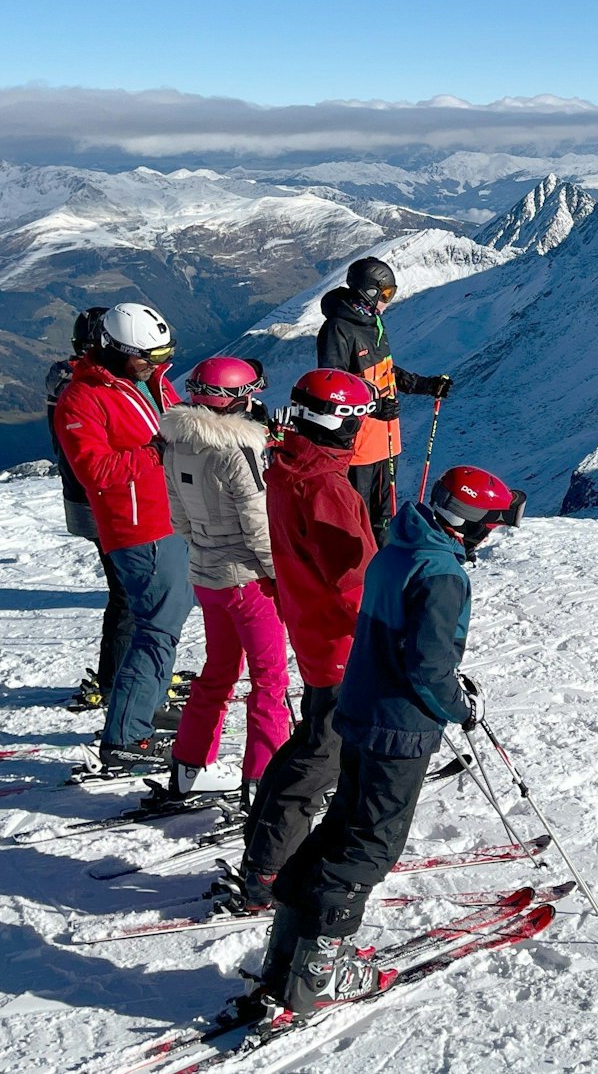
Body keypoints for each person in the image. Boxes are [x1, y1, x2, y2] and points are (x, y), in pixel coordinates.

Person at [249, 465, 522, 1022]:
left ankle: (286, 959)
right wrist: (461, 707)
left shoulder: (398, 548)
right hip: (399, 727)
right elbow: (428, 665)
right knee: (370, 845)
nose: (493, 532)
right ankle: (319, 975)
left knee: (340, 828)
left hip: (360, 707)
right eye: (492, 522)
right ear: (471, 524)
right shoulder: (442, 572)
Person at [225, 369, 379, 914]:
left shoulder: (288, 467)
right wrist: (391, 637)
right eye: (359, 418)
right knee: (322, 756)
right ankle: (268, 870)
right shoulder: (326, 489)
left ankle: (261, 850)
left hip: (311, 631)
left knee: (309, 741)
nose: (363, 429)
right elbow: (355, 586)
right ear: (340, 422)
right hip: (339, 645)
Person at [52, 303, 197, 773]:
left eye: (163, 355)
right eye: (146, 357)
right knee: (154, 627)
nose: (155, 364)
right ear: (115, 349)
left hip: (172, 516)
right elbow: (95, 471)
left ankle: (147, 705)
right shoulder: (83, 398)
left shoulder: (149, 381)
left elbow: (171, 425)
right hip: (138, 526)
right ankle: (126, 735)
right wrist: (156, 452)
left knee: (168, 621)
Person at [155, 356, 288, 805]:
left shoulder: (176, 442)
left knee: (218, 672)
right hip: (248, 580)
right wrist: (281, 578)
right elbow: (259, 526)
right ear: (236, 397)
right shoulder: (240, 449)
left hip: (208, 576)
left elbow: (180, 518)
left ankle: (189, 766)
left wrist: (207, 550)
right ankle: (263, 781)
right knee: (269, 680)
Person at [314, 257, 451, 545]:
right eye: (386, 293)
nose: (389, 300)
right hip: (360, 445)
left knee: (384, 516)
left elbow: (384, 371)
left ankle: (384, 572)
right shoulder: (338, 329)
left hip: (386, 440)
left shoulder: (372, 322)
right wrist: (374, 407)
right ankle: (362, 579)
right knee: (360, 516)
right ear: (369, 292)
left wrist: (426, 385)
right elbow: (333, 386)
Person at [45, 307, 133, 710]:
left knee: (128, 591)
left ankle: (123, 673)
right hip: (100, 499)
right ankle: (116, 679)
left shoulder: (67, 380)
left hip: (83, 498)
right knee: (128, 593)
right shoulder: (82, 386)